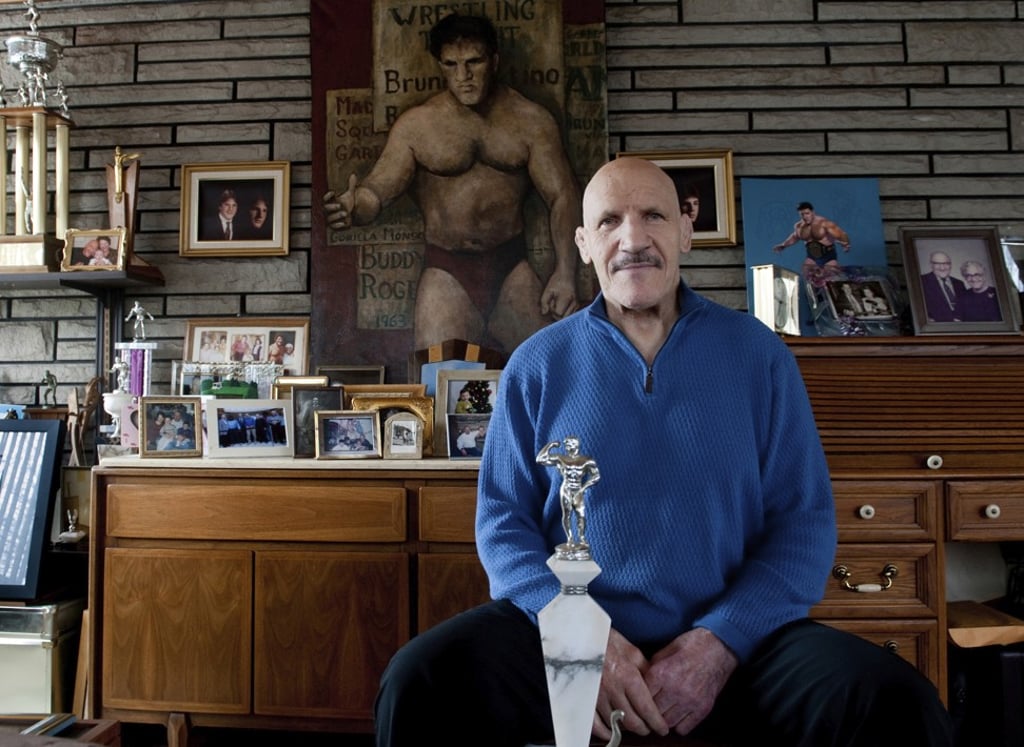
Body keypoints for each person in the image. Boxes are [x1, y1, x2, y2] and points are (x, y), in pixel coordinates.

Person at [374, 157, 952, 747]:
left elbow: (802, 526)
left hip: (733, 640)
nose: (633, 239)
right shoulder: (535, 366)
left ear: (685, 230)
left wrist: (718, 645)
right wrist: (582, 639)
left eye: (653, 215)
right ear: (581, 244)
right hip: (572, 633)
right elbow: (503, 529)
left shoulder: (759, 356)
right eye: (609, 222)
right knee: (419, 680)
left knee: (895, 700)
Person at [323, 14, 582, 352]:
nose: (464, 76)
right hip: (446, 270)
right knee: (438, 379)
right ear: (440, 65)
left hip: (510, 266)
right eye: (452, 64)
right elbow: (378, 190)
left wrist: (564, 271)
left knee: (547, 369)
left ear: (494, 61)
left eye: (474, 62)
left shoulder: (531, 121)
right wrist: (353, 206)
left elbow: (562, 195)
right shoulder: (418, 125)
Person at [536, 436, 600, 553]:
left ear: (575, 445)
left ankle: (581, 538)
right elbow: (540, 459)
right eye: (566, 445)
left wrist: (584, 488)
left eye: (569, 444)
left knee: (581, 515)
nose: (567, 447)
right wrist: (550, 446)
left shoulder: (586, 460)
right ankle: (570, 539)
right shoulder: (561, 459)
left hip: (579, 489)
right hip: (566, 489)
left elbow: (596, 476)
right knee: (567, 515)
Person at [772, 201, 851, 272]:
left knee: (829, 279)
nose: (805, 216)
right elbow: (795, 237)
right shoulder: (799, 226)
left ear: (813, 212)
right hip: (812, 258)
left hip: (828, 257)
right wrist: (783, 245)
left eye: (807, 213)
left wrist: (846, 243)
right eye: (802, 214)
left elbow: (841, 234)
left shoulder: (824, 223)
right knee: (807, 274)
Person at [920, 250, 966, 322]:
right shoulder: (922, 282)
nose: (942, 268)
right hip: (937, 327)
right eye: (937, 264)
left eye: (946, 263)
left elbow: (965, 307)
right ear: (931, 265)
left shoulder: (959, 284)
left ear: (950, 265)